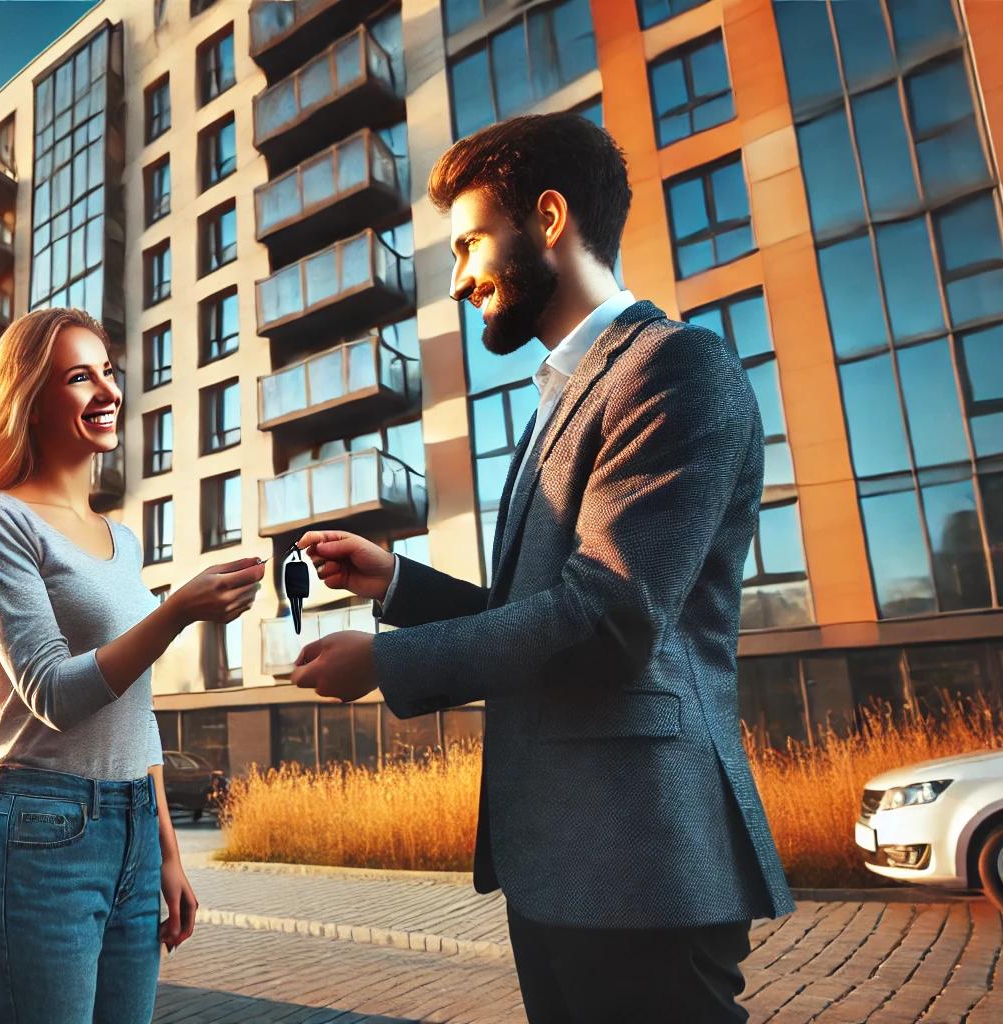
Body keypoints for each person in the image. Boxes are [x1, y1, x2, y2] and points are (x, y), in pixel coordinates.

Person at [288, 113, 794, 1023]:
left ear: (549, 219)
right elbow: (544, 607)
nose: (460, 278)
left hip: (640, 861)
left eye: (473, 240)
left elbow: (606, 621)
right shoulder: (568, 389)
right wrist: (398, 584)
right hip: (561, 858)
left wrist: (385, 664)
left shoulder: (675, 367)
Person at [0, 306, 265, 1024]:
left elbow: (134, 717)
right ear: (32, 401)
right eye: (79, 377)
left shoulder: (123, 540)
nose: (107, 390)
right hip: (43, 836)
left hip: (135, 833)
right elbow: (53, 691)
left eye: (107, 371)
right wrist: (175, 612)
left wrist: (168, 853)